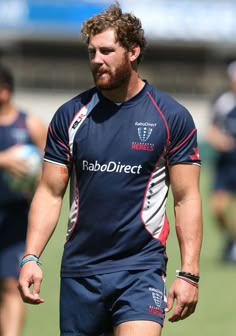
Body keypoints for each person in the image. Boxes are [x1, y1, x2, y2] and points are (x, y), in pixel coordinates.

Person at [18, 3, 203, 336]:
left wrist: (188, 272)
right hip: (80, 273)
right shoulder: (69, 116)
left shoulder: (171, 117)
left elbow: (186, 199)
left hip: (140, 269)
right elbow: (49, 192)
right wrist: (31, 256)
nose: (96, 60)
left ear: (133, 51)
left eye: (106, 51)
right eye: (91, 52)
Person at [0, 63, 47, 336]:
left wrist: (36, 179)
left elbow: (52, 172)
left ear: (4, 92)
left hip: (17, 217)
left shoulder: (30, 124)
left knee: (10, 284)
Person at [205, 60, 236, 262]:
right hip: (226, 164)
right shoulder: (224, 102)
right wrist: (219, 140)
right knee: (217, 208)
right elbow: (211, 130)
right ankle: (232, 239)